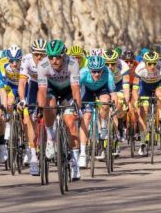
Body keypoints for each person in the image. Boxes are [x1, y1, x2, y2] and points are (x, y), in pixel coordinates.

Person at [36, 40, 82, 179]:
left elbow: (75, 90)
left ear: (64, 55)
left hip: (68, 91)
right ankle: (50, 139)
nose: (54, 60)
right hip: (51, 90)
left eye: (57, 57)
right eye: (51, 57)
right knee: (48, 106)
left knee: (70, 122)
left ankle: (74, 162)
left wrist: (76, 107)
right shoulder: (43, 65)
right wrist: (40, 107)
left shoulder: (73, 63)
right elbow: (42, 91)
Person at [79, 55, 117, 171]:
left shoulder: (108, 73)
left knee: (105, 102)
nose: (96, 74)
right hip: (87, 90)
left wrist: (115, 105)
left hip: (102, 89)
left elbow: (113, 94)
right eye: (94, 71)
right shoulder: (83, 73)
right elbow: (75, 91)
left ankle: (104, 125)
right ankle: (83, 153)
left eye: (99, 71)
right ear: (89, 69)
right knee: (87, 116)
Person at [132, 51, 161, 155]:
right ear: (145, 63)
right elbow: (135, 89)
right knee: (143, 111)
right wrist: (136, 101)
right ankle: (143, 142)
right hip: (145, 87)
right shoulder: (139, 69)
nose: (152, 66)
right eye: (150, 63)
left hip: (158, 85)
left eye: (154, 63)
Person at [17, 38, 47, 173]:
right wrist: (22, 99)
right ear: (32, 54)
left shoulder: (50, 62)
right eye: (36, 54)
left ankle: (52, 140)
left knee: (50, 110)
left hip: (48, 83)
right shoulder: (26, 60)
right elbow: (22, 83)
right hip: (34, 83)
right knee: (29, 117)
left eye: (42, 54)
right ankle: (33, 156)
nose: (39, 57)